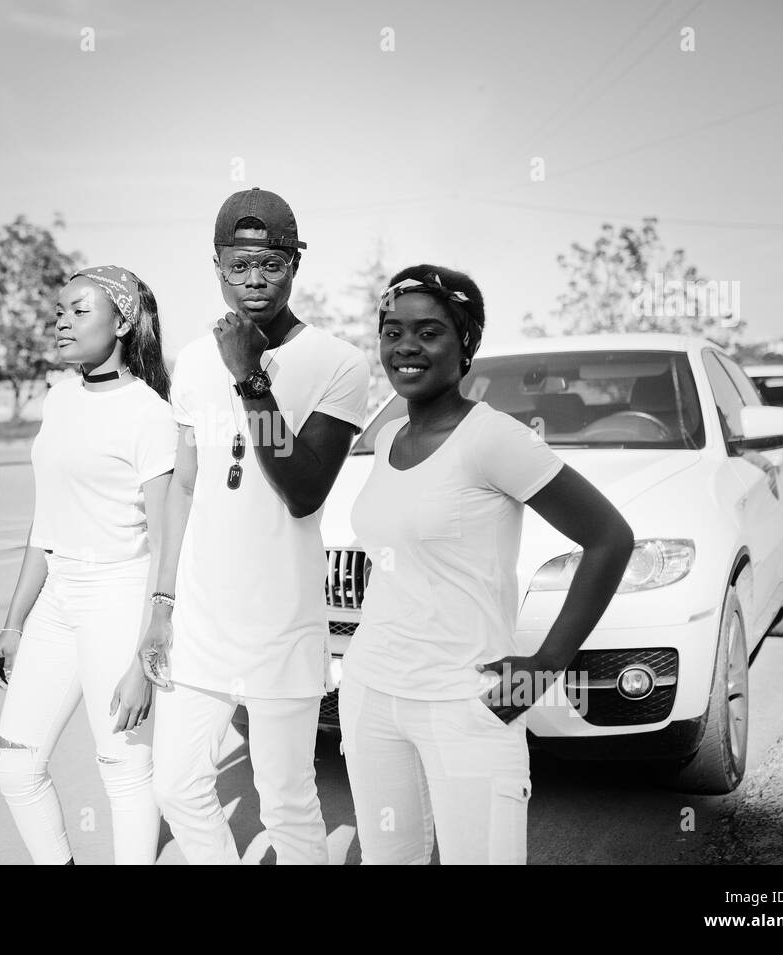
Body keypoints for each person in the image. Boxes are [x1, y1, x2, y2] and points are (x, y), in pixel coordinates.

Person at [341, 265, 634, 865]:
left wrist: (544, 668)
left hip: (464, 701)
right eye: (392, 331)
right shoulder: (390, 434)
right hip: (371, 691)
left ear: (466, 343)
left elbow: (609, 538)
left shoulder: (494, 438)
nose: (405, 347)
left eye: (428, 332)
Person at [140, 187, 371, 865]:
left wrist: (250, 378)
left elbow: (303, 489)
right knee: (177, 784)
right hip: (202, 621)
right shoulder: (189, 361)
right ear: (216, 265)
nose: (252, 283)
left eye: (268, 265)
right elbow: (184, 486)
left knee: (287, 800)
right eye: (237, 267)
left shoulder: (338, 363)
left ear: (295, 263)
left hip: (281, 624)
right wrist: (161, 603)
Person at [0, 265, 176, 865]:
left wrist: (146, 654)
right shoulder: (60, 397)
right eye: (60, 310)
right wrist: (14, 622)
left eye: (78, 311)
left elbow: (167, 538)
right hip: (56, 598)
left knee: (123, 767)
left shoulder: (148, 413)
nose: (61, 321)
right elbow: (47, 525)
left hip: (119, 596)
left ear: (121, 323)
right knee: (14, 761)